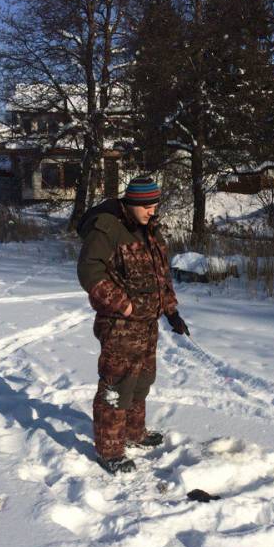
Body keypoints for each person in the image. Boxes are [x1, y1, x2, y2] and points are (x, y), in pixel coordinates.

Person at [77, 176, 189, 474]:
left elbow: (160, 276)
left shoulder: (150, 230)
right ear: (132, 203)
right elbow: (90, 272)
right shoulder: (108, 228)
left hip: (147, 324)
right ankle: (110, 450)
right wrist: (122, 304)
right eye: (147, 206)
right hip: (119, 325)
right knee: (117, 386)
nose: (153, 211)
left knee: (142, 381)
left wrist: (171, 311)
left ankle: (133, 433)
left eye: (155, 205)